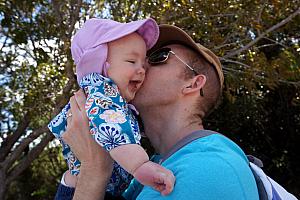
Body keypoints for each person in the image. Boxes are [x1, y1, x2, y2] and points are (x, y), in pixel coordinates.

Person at [55, 24, 260, 200]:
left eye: (157, 57)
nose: (142, 65)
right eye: (135, 59)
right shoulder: (150, 172)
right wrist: (80, 173)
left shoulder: (208, 169)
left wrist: (93, 170)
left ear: (193, 83)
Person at [48, 18, 175, 197]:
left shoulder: (110, 99)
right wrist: (141, 166)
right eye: (132, 61)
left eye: (143, 63)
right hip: (85, 190)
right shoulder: (101, 92)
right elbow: (113, 131)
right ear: (99, 64)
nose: (142, 70)